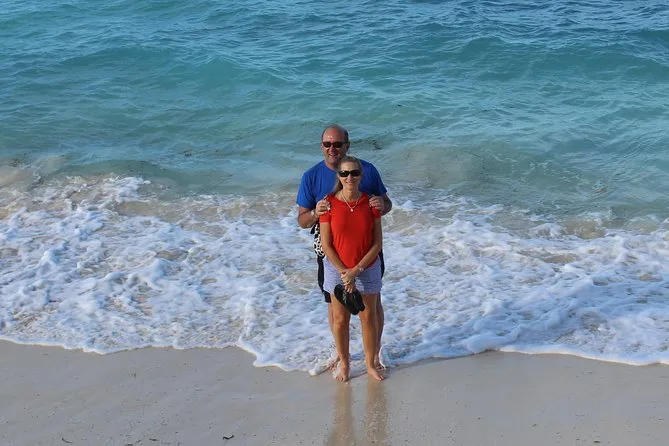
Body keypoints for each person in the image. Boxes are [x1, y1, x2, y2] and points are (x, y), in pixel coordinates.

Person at [296, 124, 392, 369]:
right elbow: (302, 221)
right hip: (329, 247)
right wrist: (316, 213)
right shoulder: (311, 176)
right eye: (327, 144)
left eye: (338, 144)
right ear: (321, 146)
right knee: (334, 304)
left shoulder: (367, 170)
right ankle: (340, 354)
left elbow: (386, 204)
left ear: (347, 146)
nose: (332, 149)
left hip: (365, 247)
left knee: (372, 304)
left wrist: (381, 205)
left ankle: (375, 354)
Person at [320, 155, 384, 381]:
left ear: (361, 175)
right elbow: (326, 244)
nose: (349, 177)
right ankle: (345, 364)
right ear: (338, 176)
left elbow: (377, 243)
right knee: (340, 320)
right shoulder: (328, 204)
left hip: (367, 267)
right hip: (336, 268)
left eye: (354, 173)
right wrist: (344, 273)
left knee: (368, 318)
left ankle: (370, 365)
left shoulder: (371, 204)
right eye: (344, 173)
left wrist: (356, 270)